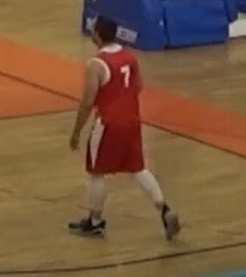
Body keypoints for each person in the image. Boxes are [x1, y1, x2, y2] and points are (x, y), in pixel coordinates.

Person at [68, 16, 180, 240]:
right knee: (138, 168)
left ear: (97, 35)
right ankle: (164, 209)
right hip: (132, 121)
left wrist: (76, 132)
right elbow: (138, 86)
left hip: (108, 123)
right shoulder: (129, 57)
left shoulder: (96, 64)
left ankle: (95, 222)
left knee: (96, 171)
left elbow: (87, 103)